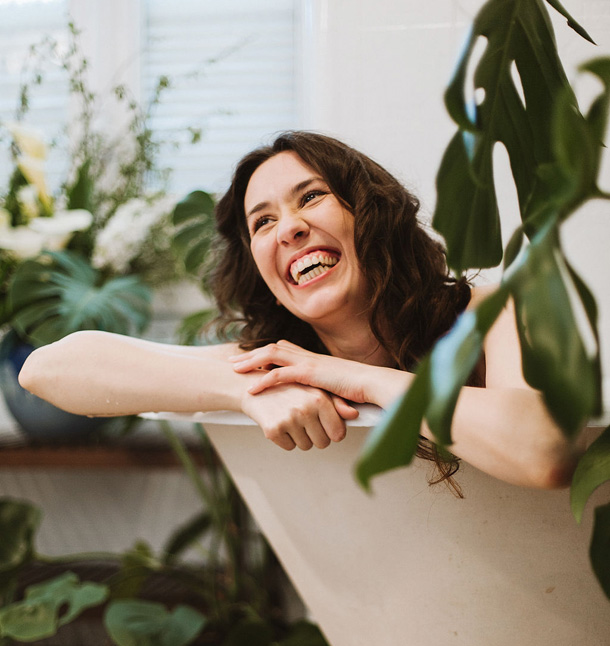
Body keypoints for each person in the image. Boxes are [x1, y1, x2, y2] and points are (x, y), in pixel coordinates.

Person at [18, 131, 581, 488]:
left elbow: (542, 453)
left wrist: (358, 379)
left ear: (370, 213)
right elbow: (46, 369)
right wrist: (240, 390)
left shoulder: (493, 313)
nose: (288, 228)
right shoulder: (286, 363)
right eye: (262, 222)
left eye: (310, 197)